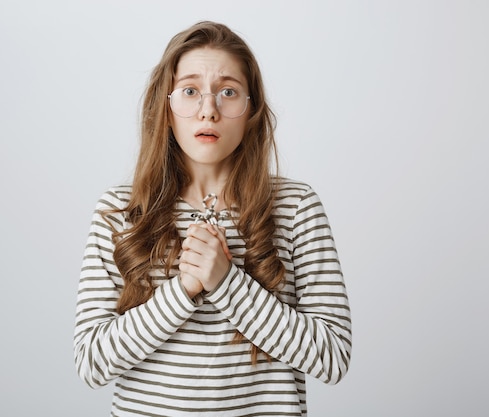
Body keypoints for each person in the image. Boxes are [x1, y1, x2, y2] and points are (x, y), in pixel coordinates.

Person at [74, 21, 351, 416]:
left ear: (250, 109)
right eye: (190, 91)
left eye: (228, 92)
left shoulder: (296, 207)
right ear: (166, 108)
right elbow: (92, 362)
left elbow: (332, 357)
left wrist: (226, 281)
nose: (209, 110)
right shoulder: (122, 214)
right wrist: (183, 289)